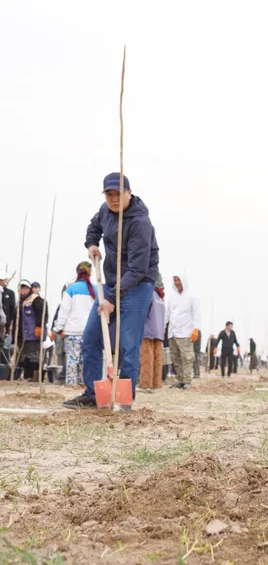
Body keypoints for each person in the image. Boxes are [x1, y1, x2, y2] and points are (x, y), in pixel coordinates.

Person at [63, 173, 159, 410]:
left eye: (118, 193)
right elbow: (93, 227)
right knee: (92, 336)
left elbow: (137, 268)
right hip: (112, 282)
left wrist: (113, 298)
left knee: (127, 342)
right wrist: (92, 244)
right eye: (109, 194)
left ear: (129, 192)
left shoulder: (140, 223)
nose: (114, 199)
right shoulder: (105, 211)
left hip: (138, 285)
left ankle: (124, 399)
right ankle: (94, 395)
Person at [52, 262, 96, 387]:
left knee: (72, 359)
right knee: (84, 359)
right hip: (89, 331)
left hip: (72, 331)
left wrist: (57, 329)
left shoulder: (71, 289)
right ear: (90, 273)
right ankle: (83, 383)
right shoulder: (95, 289)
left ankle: (71, 384)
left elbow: (64, 311)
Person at [165, 274, 200, 390]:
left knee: (187, 357)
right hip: (173, 332)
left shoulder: (191, 297)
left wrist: (196, 328)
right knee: (175, 358)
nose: (177, 282)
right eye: (175, 280)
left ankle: (187, 380)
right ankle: (180, 380)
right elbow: (167, 313)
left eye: (178, 280)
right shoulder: (171, 297)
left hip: (186, 332)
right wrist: (164, 326)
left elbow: (196, 313)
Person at [15, 279, 48, 380]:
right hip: (24, 334)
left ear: (29, 289)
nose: (23, 290)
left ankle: (33, 377)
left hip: (33, 334)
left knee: (33, 356)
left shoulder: (35, 299)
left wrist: (39, 326)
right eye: (22, 288)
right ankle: (27, 376)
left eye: (26, 288)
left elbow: (43, 314)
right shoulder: (21, 301)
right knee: (24, 357)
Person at [139, 274, 166, 391]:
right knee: (157, 358)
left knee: (146, 357)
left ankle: (145, 384)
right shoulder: (161, 296)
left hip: (148, 329)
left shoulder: (149, 293)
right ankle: (156, 383)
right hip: (159, 331)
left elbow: (143, 311)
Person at [1, 271, 16, 368]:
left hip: (5, 325)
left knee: (5, 346)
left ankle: (5, 367)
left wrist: (10, 325)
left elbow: (12, 310)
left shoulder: (10, 293)